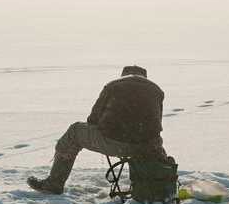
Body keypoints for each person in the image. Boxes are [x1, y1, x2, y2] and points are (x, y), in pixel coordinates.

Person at [27, 65, 168, 195]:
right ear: (145, 77)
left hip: (114, 143)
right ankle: (163, 176)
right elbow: (156, 124)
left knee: (74, 132)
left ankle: (54, 183)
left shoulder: (113, 86)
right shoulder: (157, 91)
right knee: (153, 139)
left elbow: (93, 119)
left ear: (123, 75)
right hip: (146, 147)